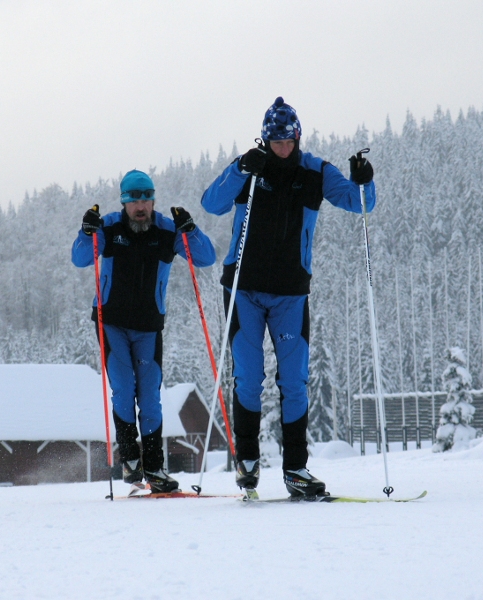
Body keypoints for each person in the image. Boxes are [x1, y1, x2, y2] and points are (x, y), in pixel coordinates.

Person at [201, 97, 376, 497]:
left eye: (289, 140)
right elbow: (211, 203)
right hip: (243, 288)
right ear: (265, 139)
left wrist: (365, 178)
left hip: (291, 293)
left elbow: (360, 203)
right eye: (276, 141)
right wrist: (240, 169)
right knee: (248, 378)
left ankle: (296, 469)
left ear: (298, 137)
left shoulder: (315, 171)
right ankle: (247, 463)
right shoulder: (250, 166)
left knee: (294, 380)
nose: (283, 147)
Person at [72, 169, 216, 493]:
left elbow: (206, 258)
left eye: (146, 198)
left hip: (149, 326)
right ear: (124, 202)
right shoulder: (109, 226)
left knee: (150, 395)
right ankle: (131, 460)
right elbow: (80, 258)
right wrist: (86, 232)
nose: (140, 205)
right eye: (133, 199)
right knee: (123, 389)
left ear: (153, 200)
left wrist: (190, 231)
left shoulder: (166, 230)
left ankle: (154, 467)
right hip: (111, 322)